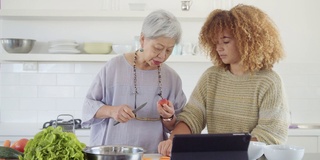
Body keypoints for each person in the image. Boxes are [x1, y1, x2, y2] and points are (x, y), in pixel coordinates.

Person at [158, 4, 290, 156]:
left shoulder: (269, 82)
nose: (219, 48)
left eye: (226, 42)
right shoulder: (211, 77)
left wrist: (227, 151)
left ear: (247, 40)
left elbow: (269, 133)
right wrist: (174, 141)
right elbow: (192, 117)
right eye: (216, 43)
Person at [82, 9, 187, 153]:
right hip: (112, 154)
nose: (162, 56)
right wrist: (112, 111)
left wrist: (169, 117)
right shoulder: (114, 68)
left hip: (152, 155)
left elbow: (179, 126)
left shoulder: (172, 78)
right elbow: (88, 107)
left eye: (169, 50)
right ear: (143, 39)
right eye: (158, 48)